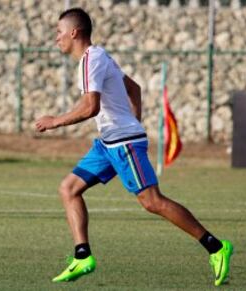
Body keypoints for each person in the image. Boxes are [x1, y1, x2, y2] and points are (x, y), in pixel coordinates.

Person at [35, 7, 233, 286]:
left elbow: (91, 107)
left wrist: (55, 121)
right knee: (69, 189)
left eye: (58, 32)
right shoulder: (97, 57)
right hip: (108, 142)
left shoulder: (91, 59)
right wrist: (131, 123)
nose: (56, 38)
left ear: (73, 32)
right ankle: (82, 256)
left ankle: (216, 247)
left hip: (122, 143)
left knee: (153, 202)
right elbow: (134, 88)